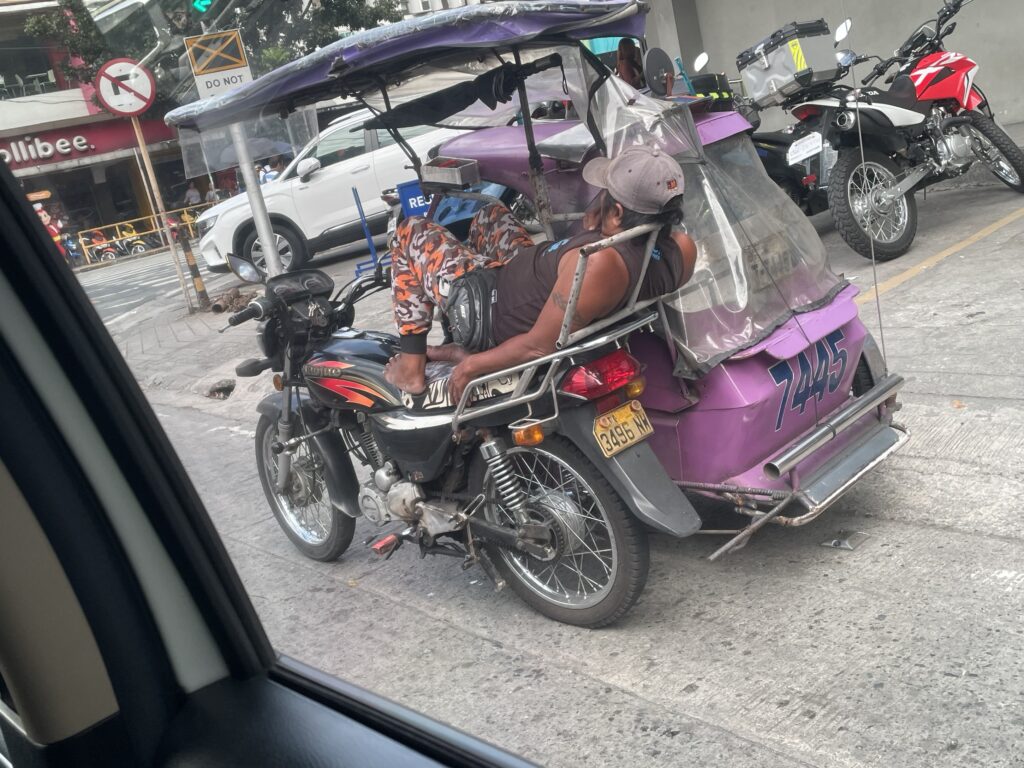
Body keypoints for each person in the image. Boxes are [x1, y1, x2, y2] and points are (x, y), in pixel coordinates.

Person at [384, 144, 697, 399]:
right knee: (490, 214)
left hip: (489, 312)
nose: (599, 195)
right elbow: (625, 246)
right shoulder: (681, 247)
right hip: (526, 277)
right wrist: (599, 219)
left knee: (411, 231)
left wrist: (470, 365)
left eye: (605, 192)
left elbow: (537, 345)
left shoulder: (600, 264)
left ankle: (411, 368)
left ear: (617, 213)